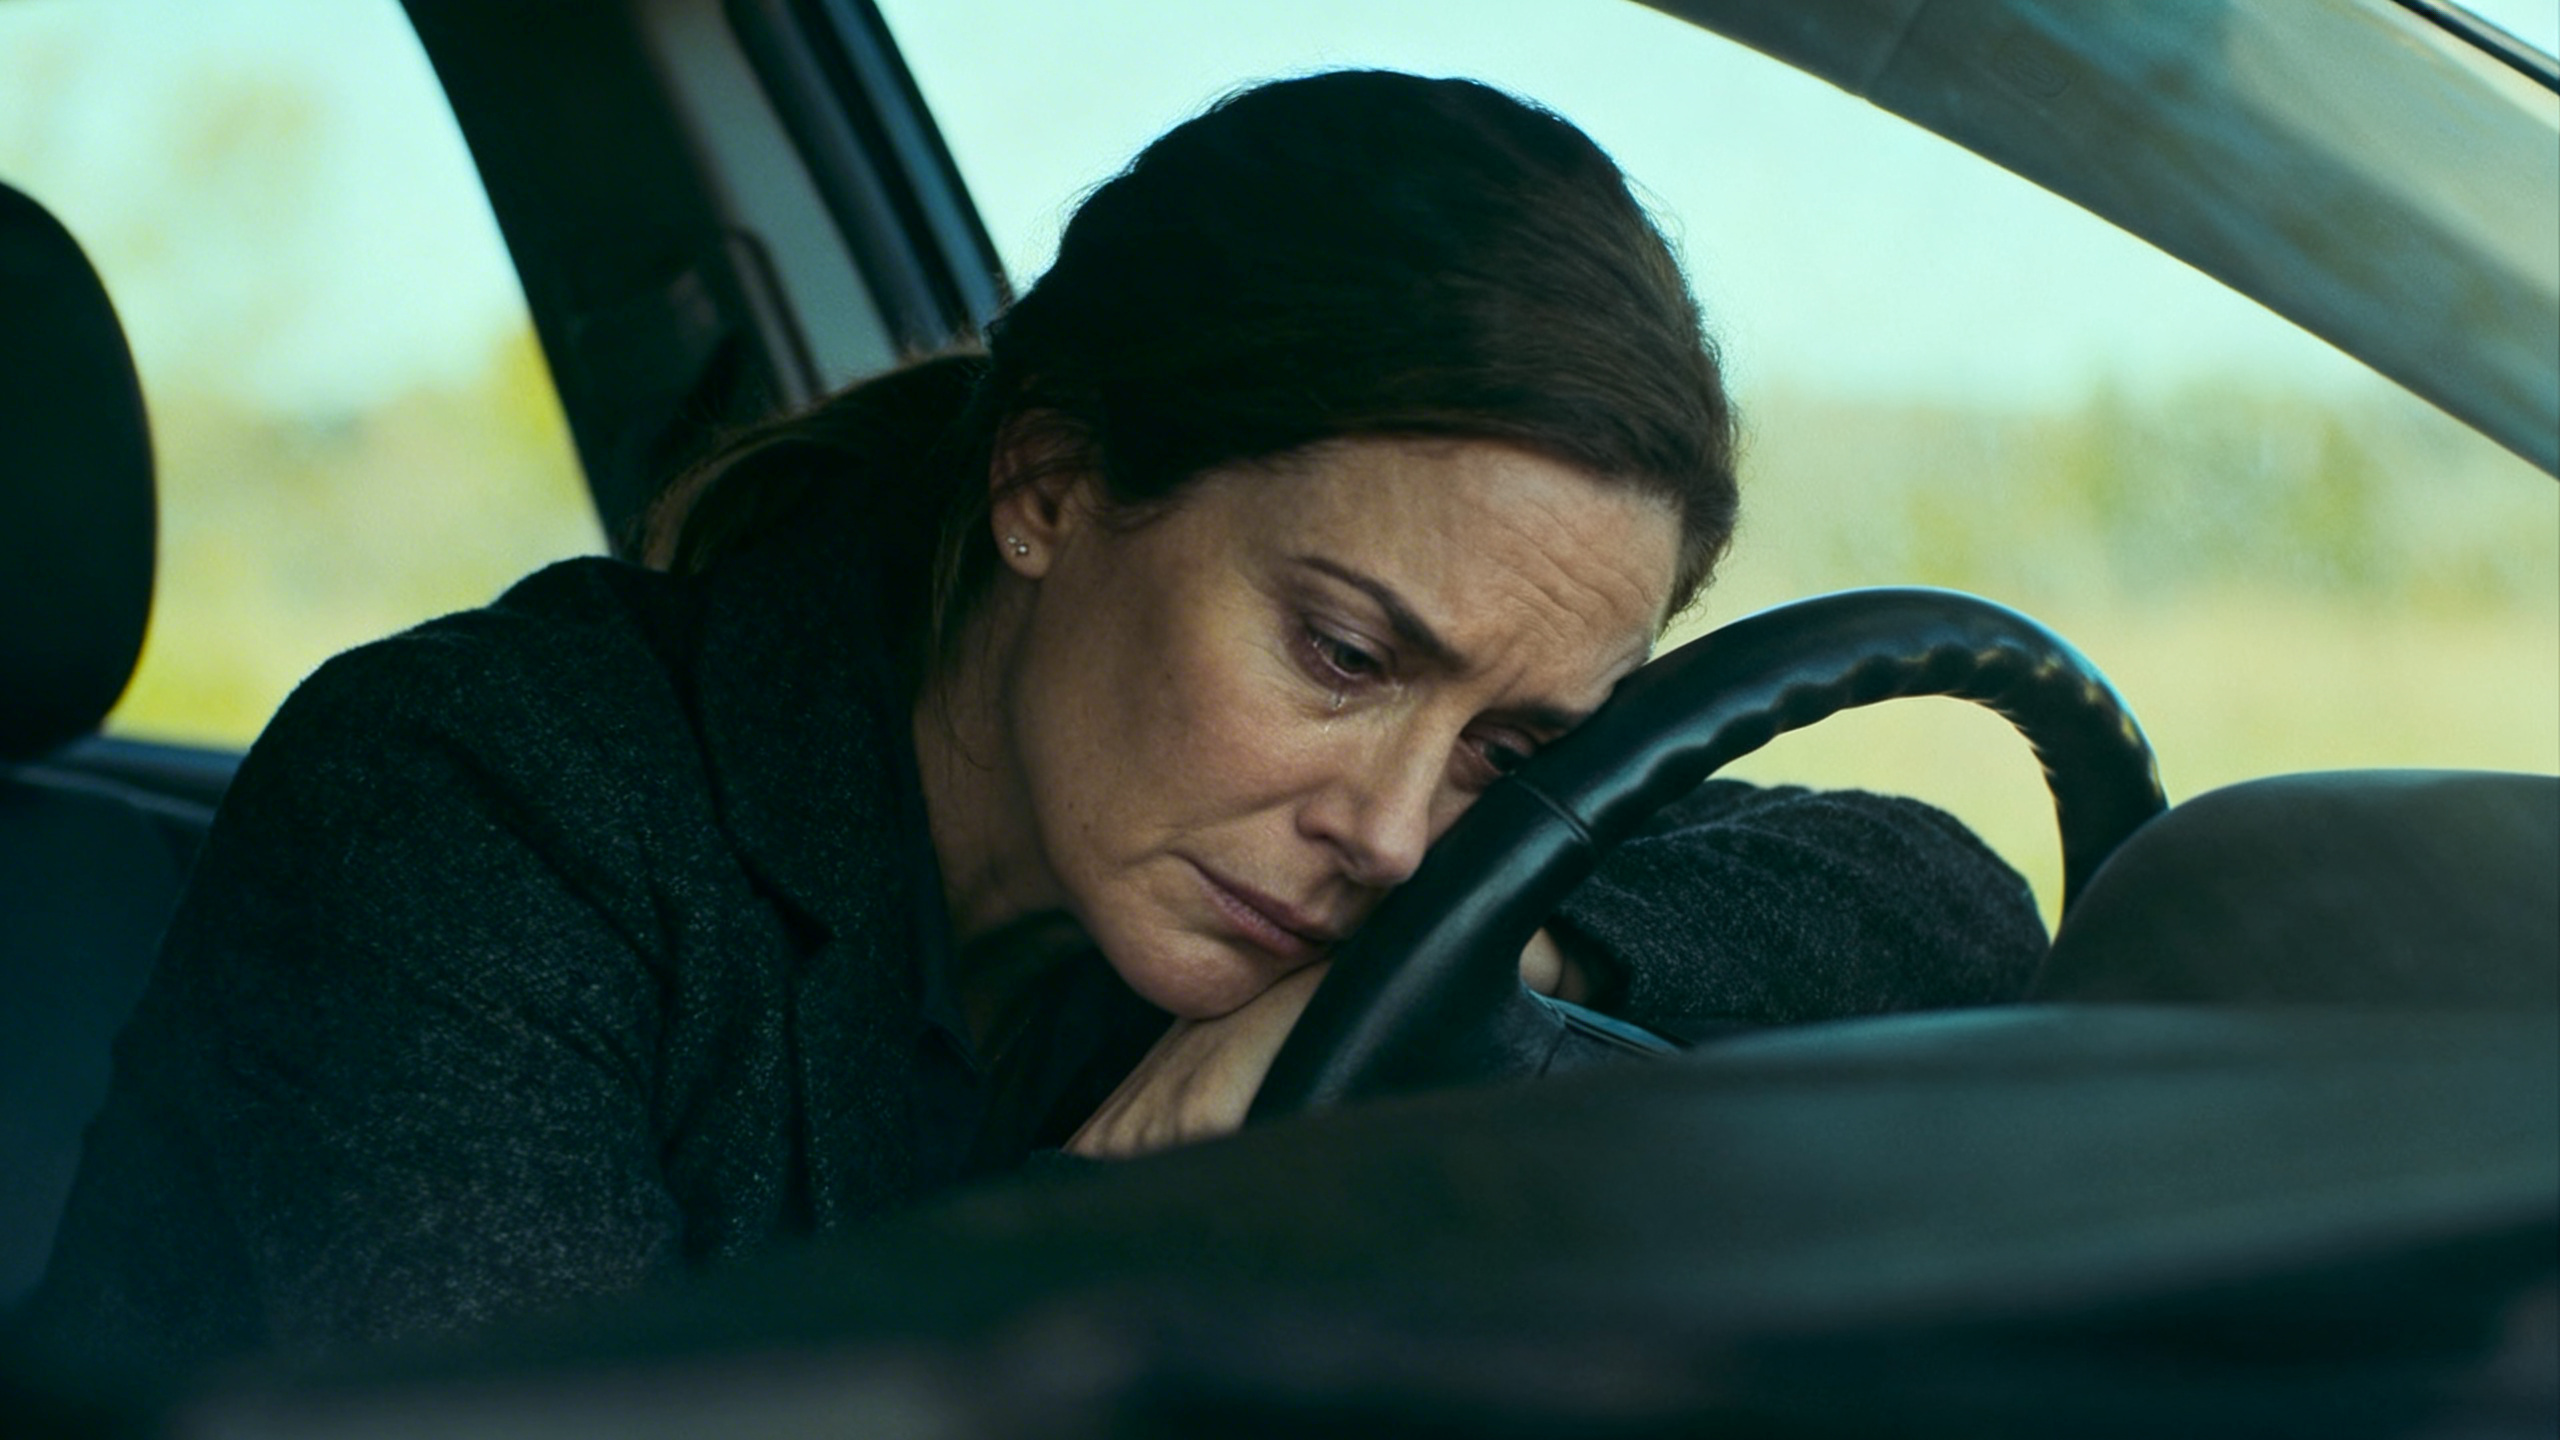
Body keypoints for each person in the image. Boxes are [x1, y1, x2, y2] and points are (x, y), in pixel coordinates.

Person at [33, 70, 2045, 1373]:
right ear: (1051, 490)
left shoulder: (1338, 870)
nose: (1396, 833)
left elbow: (1932, 903)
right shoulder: (479, 806)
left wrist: (1493, 943)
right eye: (1342, 658)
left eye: (1513, 754)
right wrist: (1089, 1241)